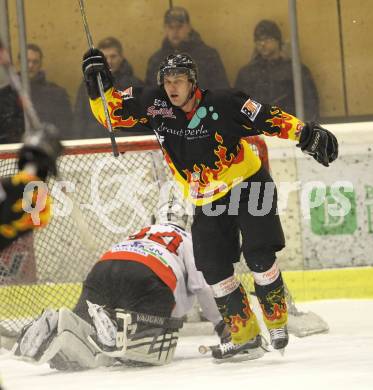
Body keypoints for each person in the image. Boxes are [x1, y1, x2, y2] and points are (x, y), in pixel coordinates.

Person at [80, 49, 338, 359]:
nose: (172, 87)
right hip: (206, 198)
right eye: (167, 81)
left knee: (259, 251)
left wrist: (306, 134)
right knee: (212, 266)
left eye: (179, 80)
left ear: (193, 82)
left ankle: (276, 319)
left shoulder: (224, 103)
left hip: (248, 184)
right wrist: (98, 89)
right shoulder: (155, 105)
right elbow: (111, 114)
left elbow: (267, 116)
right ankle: (244, 335)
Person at [13, 195, 244, 369]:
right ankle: (117, 328)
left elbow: (125, 261)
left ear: (154, 220)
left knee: (84, 337)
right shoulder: (187, 238)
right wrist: (221, 325)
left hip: (102, 271)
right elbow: (202, 286)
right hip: (147, 278)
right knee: (146, 355)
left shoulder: (140, 232)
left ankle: (60, 324)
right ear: (186, 222)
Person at [235, 20, 320, 122]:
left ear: (278, 41)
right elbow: (238, 105)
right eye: (258, 40)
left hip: (288, 128)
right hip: (257, 131)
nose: (262, 44)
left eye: (267, 39)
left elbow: (310, 104)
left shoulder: (295, 70)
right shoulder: (246, 73)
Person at [72, 37, 148, 140]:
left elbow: (143, 119)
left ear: (121, 57)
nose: (109, 61)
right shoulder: (87, 86)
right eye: (105, 57)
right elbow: (79, 118)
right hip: (95, 144)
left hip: (128, 145)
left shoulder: (136, 84)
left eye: (113, 56)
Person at [145, 6, 229, 90]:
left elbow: (222, 93)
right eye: (171, 27)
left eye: (179, 26)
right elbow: (149, 95)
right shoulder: (156, 60)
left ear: (189, 27)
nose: (175, 31)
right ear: (165, 29)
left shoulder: (208, 56)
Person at [26, 44, 73, 137]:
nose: (30, 65)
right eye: (27, 61)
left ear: (40, 64)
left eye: (35, 62)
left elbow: (65, 128)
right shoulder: (9, 94)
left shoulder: (56, 94)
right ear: (19, 62)